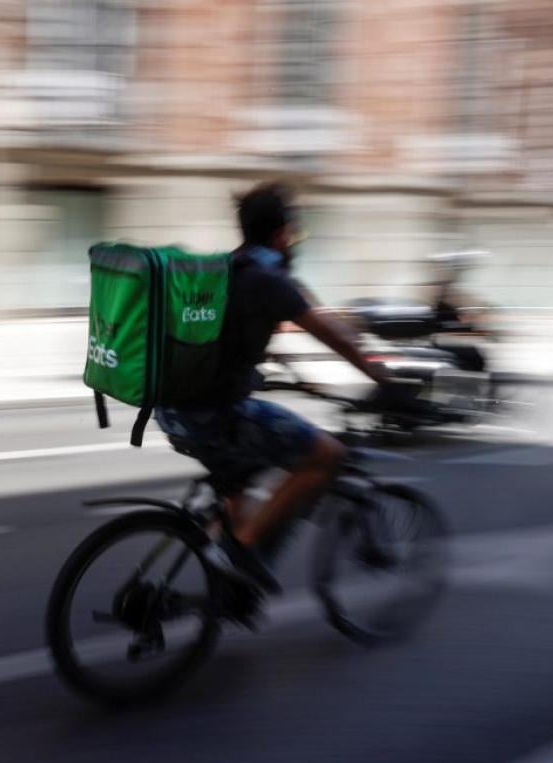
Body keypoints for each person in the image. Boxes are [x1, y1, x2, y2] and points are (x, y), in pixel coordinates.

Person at [154, 182, 390, 593]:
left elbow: (232, 337)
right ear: (282, 233)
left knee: (239, 482)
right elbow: (338, 338)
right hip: (216, 417)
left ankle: (223, 583)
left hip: (172, 410)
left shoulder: (227, 269)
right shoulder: (271, 281)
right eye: (295, 232)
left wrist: (285, 368)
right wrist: (389, 381)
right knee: (325, 454)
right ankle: (240, 551)